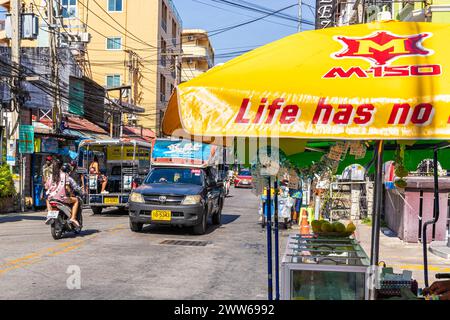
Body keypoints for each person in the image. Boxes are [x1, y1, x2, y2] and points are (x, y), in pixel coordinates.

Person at [45, 160, 83, 228]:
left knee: (47, 199)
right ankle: (73, 218)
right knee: (76, 200)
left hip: (51, 198)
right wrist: (71, 194)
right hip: (62, 198)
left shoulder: (50, 176)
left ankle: (49, 215)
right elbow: (67, 187)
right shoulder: (65, 175)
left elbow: (46, 187)